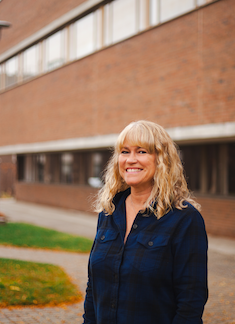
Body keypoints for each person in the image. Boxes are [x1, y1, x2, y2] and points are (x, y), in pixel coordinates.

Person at [83, 120, 208, 324]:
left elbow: (191, 302)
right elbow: (93, 287)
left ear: (162, 159)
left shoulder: (184, 219)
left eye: (141, 151)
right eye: (125, 152)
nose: (131, 160)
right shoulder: (109, 212)